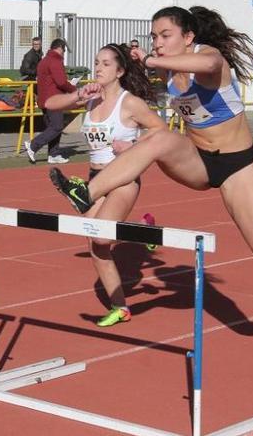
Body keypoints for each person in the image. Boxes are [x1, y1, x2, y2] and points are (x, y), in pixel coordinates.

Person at [48, 6, 253, 287]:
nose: (157, 43)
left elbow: (209, 66)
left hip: (237, 166)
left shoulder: (209, 56)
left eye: (165, 36)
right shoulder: (169, 71)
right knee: (158, 137)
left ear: (188, 37)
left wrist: (150, 60)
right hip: (197, 162)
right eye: (154, 37)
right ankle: (84, 193)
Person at [44, 43, 166, 326]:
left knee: (102, 237)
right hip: (95, 177)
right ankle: (120, 306)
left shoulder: (130, 103)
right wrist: (77, 94)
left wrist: (134, 144)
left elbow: (162, 131)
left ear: (120, 71)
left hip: (123, 179)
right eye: (96, 62)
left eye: (105, 64)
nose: (98, 68)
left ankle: (141, 231)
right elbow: (50, 103)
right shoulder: (91, 97)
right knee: (95, 242)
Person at [23, 38, 75, 165]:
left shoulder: (44, 60)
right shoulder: (55, 61)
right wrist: (74, 89)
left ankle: (54, 154)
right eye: (64, 50)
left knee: (53, 127)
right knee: (57, 126)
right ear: (59, 48)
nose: (64, 53)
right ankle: (33, 145)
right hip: (54, 99)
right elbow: (61, 81)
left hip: (44, 99)